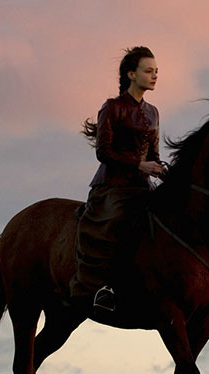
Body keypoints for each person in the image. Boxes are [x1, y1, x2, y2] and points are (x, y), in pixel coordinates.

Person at [70, 46, 163, 314]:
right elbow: (103, 152)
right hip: (111, 187)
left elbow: (153, 154)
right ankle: (106, 287)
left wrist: (159, 168)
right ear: (131, 74)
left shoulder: (154, 111)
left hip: (141, 186)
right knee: (122, 224)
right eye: (148, 71)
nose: (155, 75)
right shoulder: (112, 107)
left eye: (156, 71)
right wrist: (139, 164)